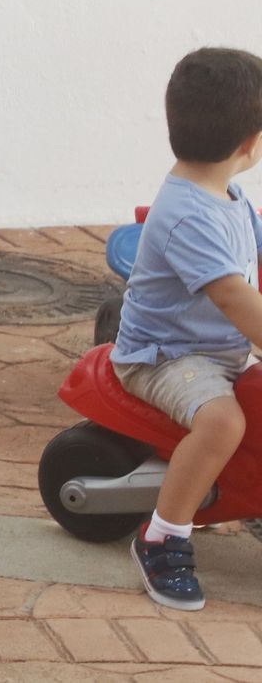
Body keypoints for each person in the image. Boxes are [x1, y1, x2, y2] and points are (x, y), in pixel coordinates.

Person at [111, 47, 262, 611]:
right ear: (249, 143)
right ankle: (163, 536)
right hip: (165, 356)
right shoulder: (188, 214)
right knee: (224, 421)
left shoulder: (226, 194)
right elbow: (231, 294)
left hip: (212, 348)